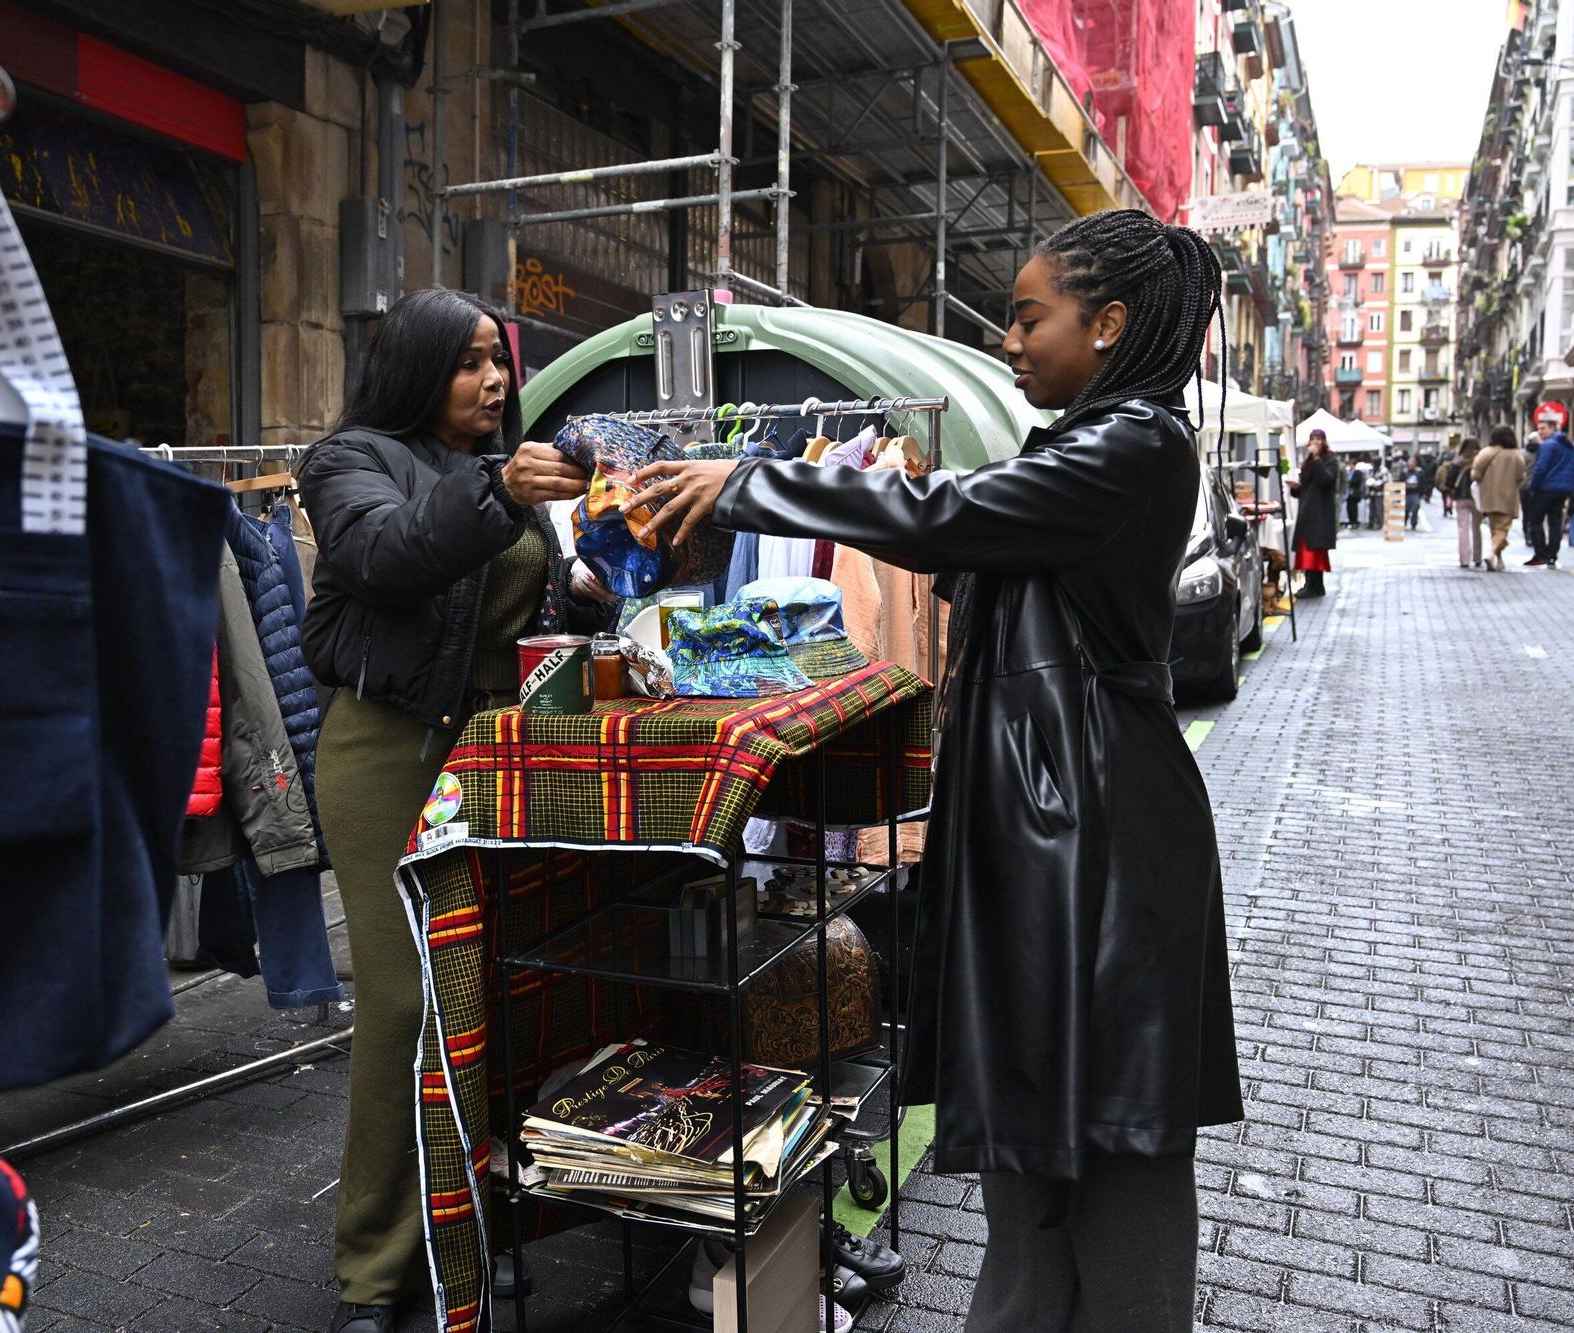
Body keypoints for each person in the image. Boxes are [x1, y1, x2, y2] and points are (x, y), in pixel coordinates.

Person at [631, 209, 1242, 1333]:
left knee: (1113, 1132)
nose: (1008, 340)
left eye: (1025, 316)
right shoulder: (1088, 442)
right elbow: (984, 558)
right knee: (1044, 1128)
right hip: (1060, 815)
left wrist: (751, 484)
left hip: (1096, 824)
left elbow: (946, 512)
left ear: (1106, 324)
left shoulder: (1134, 443)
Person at [297, 289, 606, 1333]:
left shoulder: (511, 477)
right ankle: (373, 1273)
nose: (495, 381)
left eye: (499, 362)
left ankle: (468, 1230)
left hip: (492, 755)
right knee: (402, 1003)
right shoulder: (347, 462)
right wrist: (497, 492)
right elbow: (385, 557)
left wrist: (589, 588)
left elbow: (526, 601)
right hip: (389, 750)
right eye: (471, 362)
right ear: (419, 367)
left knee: (494, 997)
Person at [1287, 429, 1340, 598]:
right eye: (1312, 440)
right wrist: (1296, 488)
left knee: (1315, 551)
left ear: (1324, 442)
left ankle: (1315, 586)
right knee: (1305, 550)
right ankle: (1311, 585)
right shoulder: (1308, 462)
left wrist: (1317, 458)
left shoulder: (1330, 460)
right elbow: (1306, 488)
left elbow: (1326, 479)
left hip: (1320, 515)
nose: (1314, 443)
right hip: (1307, 512)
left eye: (1318, 440)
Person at [1474, 425, 1529, 572]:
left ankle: (1499, 561)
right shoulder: (1516, 455)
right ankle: (1491, 553)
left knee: (1495, 529)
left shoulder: (1485, 453)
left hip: (1489, 496)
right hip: (1508, 497)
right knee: (1502, 530)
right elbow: (1521, 476)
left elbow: (1476, 474)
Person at [1523, 421, 1574, 567]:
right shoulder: (1568, 446)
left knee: (1535, 521)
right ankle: (1552, 555)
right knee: (1555, 522)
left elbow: (1541, 467)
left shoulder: (1548, 445)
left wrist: (1534, 487)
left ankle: (1541, 554)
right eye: (1538, 429)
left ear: (1553, 428)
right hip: (1562, 489)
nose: (1540, 432)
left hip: (1545, 488)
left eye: (1543, 428)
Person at [1449, 439, 1484, 569]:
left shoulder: (1458, 461)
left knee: (1463, 528)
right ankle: (1477, 558)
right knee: (1477, 528)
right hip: (1478, 497)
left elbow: (1449, 480)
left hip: (1461, 497)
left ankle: (1464, 559)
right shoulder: (1481, 459)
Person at [1402, 458, 1426, 531]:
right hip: (1407, 493)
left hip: (1415, 493)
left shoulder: (1419, 472)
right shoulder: (1405, 472)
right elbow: (1401, 481)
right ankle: (1404, 522)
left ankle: (1413, 523)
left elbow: (1422, 483)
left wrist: (1422, 493)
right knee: (1406, 509)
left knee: (1415, 508)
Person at [1345, 458, 1369, 528]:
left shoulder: (1358, 472)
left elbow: (1357, 482)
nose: (1350, 466)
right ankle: (1350, 521)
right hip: (1348, 493)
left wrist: (1349, 482)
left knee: (1353, 508)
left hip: (1354, 493)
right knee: (1349, 507)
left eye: (1351, 464)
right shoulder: (1349, 472)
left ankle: (1354, 522)